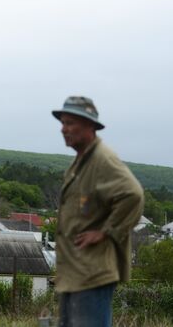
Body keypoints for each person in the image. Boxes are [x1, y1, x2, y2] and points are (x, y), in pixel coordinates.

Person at [52, 96, 144, 327]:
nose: (64, 129)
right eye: (62, 123)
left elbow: (133, 194)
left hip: (92, 272)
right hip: (76, 270)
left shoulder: (103, 160)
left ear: (90, 125)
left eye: (70, 123)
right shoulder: (82, 160)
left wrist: (105, 231)